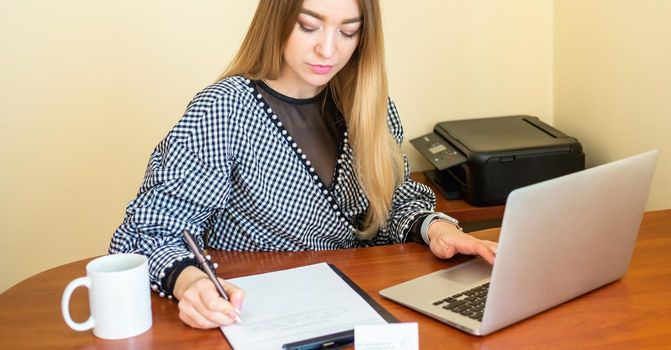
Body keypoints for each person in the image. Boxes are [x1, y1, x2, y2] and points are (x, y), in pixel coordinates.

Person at [109, 0, 497, 329]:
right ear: (277, 20)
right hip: (255, 318)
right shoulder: (225, 109)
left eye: (348, 32)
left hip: (358, 308)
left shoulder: (368, 107)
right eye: (309, 27)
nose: (329, 50)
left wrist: (437, 228)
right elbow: (145, 235)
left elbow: (393, 204)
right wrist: (189, 282)